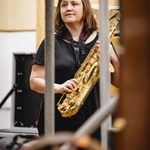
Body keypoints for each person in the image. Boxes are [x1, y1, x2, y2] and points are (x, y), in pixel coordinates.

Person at [29, 0, 120, 140]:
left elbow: (120, 83)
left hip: (95, 121)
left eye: (74, 3)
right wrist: (58, 88)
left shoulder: (102, 41)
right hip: (57, 121)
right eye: (64, 5)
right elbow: (34, 81)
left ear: (85, 8)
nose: (68, 8)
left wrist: (113, 57)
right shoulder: (50, 42)